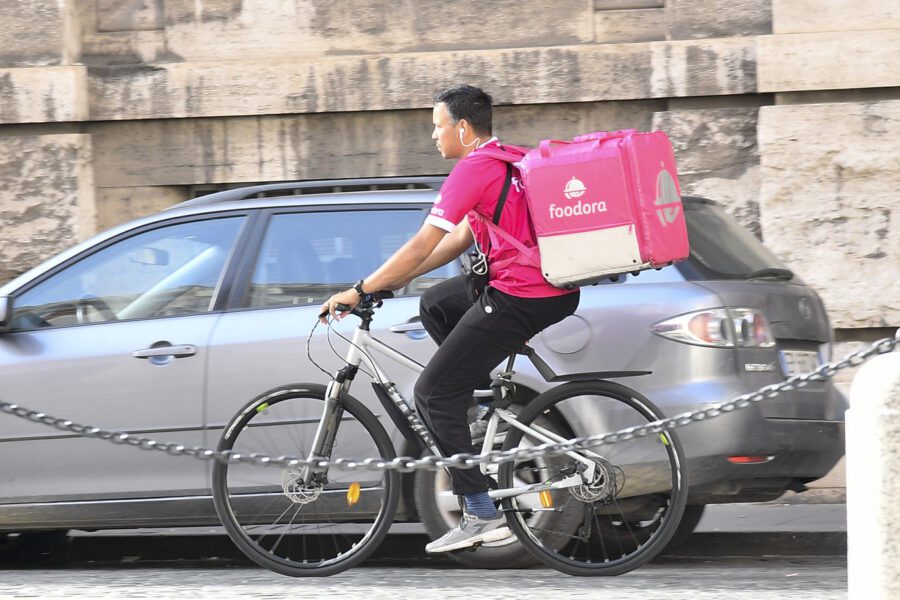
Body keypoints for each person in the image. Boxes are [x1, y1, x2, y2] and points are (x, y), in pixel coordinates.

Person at [319, 84, 580, 553]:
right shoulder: (503, 159)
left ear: (462, 127)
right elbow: (457, 239)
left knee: (432, 394)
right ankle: (477, 411)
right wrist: (393, 281)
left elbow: (423, 242)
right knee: (437, 304)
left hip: (522, 294)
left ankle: (480, 512)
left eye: (437, 126)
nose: (433, 136)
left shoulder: (474, 169)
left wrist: (360, 289)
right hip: (537, 286)